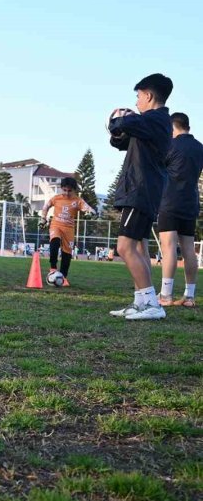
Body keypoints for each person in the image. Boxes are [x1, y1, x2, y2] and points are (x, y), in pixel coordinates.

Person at [106, 73, 173, 320]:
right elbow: (121, 140)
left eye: (138, 97)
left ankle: (152, 304)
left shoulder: (155, 119)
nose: (136, 102)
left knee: (124, 247)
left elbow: (122, 124)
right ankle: (141, 303)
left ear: (148, 95)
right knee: (140, 247)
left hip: (140, 190)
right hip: (142, 190)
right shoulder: (151, 124)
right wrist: (117, 131)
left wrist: (116, 119)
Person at [157, 112, 202, 307]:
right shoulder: (200, 147)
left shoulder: (169, 145)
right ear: (188, 127)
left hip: (170, 201)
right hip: (190, 202)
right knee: (188, 249)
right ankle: (189, 296)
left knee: (168, 247)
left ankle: (165, 295)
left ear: (172, 127)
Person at [38, 177, 96, 285]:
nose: (67, 193)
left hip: (69, 229)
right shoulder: (56, 198)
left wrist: (91, 212)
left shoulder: (78, 201)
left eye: (69, 191)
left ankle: (63, 277)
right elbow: (46, 207)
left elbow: (88, 208)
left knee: (67, 254)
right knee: (54, 242)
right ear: (61, 189)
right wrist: (43, 219)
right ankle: (53, 268)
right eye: (64, 190)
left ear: (74, 190)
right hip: (56, 225)